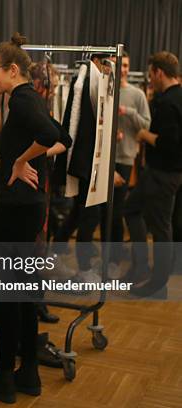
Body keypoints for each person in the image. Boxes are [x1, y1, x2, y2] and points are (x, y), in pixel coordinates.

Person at [0, 33, 72, 404]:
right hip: (29, 208)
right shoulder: (32, 98)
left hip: (17, 210)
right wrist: (36, 156)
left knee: (10, 293)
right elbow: (63, 138)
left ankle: (3, 378)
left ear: (12, 69)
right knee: (26, 292)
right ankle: (28, 373)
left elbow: (51, 134)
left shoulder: (21, 100)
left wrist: (20, 160)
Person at [124, 51, 182, 298]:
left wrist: (145, 136)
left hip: (164, 173)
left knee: (160, 228)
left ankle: (158, 284)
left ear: (159, 72)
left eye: (150, 74)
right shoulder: (172, 97)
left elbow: (171, 143)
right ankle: (142, 268)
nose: (149, 79)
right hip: (160, 172)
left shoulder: (169, 102)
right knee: (132, 209)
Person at [102, 52, 152, 276]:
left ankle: (114, 257)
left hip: (124, 158)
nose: (122, 69)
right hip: (103, 158)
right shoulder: (105, 90)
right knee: (102, 209)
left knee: (117, 210)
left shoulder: (137, 94)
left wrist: (128, 112)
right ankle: (107, 257)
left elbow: (146, 125)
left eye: (126, 66)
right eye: (119, 65)